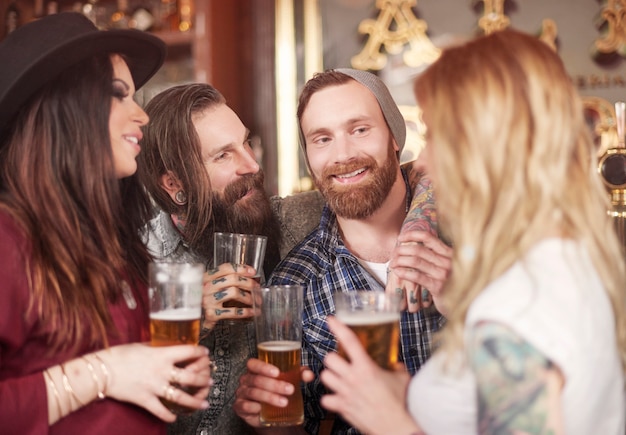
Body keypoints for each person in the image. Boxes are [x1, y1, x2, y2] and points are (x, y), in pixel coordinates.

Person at [318, 29, 626, 435]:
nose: (424, 163)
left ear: (485, 150)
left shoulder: (520, 306)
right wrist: (409, 398)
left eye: (435, 138)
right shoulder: (560, 261)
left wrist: (393, 423)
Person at [0, 12, 213, 435]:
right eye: (119, 94)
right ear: (63, 106)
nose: (142, 115)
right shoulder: (9, 240)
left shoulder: (110, 245)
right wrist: (104, 371)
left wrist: (161, 366)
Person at [233, 68, 452, 434]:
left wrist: (467, 303)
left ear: (395, 138)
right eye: (322, 139)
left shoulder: (472, 236)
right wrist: (275, 425)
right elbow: (300, 424)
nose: (343, 155)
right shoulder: (293, 283)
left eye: (359, 129)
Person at [137, 82, 325, 434]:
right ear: (174, 184)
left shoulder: (293, 221)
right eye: (223, 155)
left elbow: (397, 178)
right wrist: (189, 320)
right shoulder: (133, 258)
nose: (251, 164)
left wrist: (419, 223)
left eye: (246, 143)